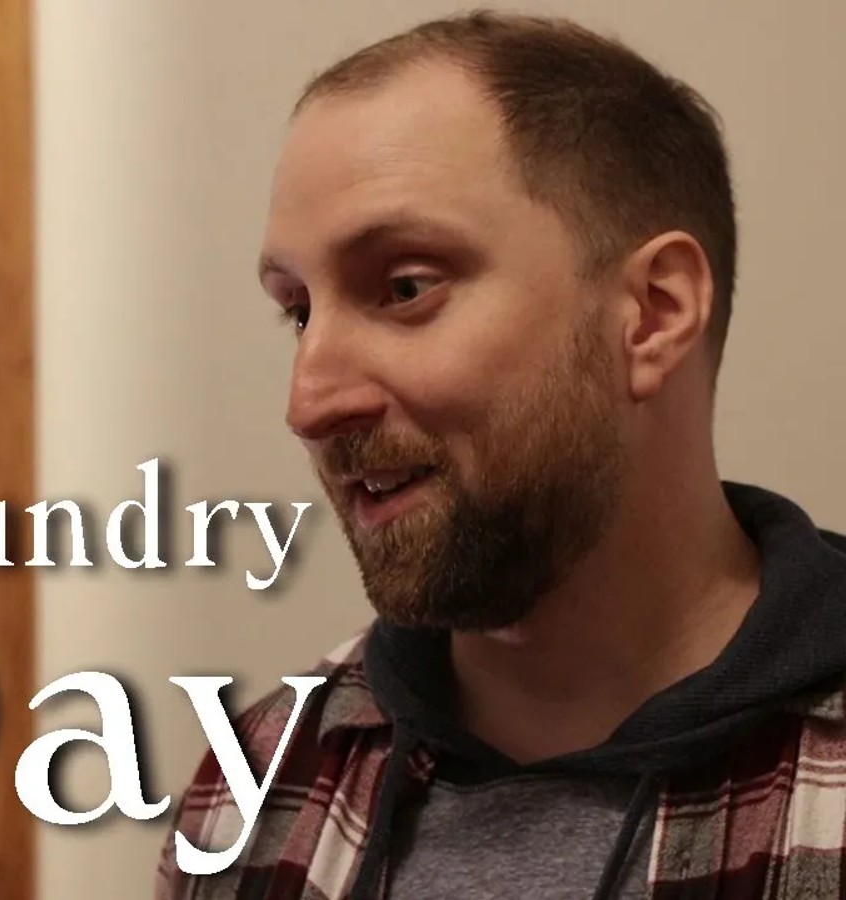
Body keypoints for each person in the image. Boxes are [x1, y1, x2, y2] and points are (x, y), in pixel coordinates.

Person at [159, 10, 846, 900]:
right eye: (299, 311)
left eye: (406, 287)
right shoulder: (254, 792)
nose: (309, 402)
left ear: (654, 313)